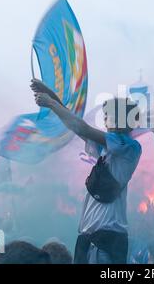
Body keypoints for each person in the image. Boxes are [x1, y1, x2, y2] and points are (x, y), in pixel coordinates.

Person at [31, 79, 142, 264]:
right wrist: (51, 95)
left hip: (107, 243)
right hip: (89, 241)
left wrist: (50, 102)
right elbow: (74, 124)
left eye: (108, 115)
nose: (105, 120)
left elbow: (82, 127)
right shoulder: (107, 149)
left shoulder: (129, 147)